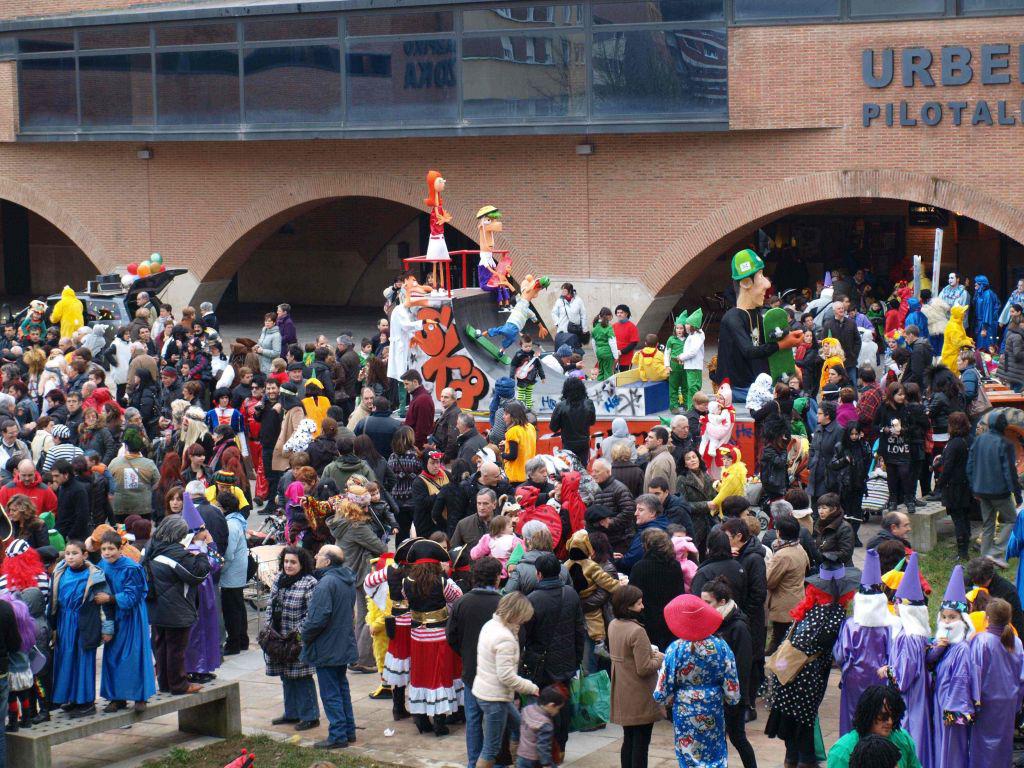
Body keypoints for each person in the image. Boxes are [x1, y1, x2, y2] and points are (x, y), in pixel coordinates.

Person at [764, 563, 859, 767]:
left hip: (788, 669)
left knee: (791, 716)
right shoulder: (835, 613)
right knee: (804, 719)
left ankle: (791, 759)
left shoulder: (809, 607)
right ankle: (805, 761)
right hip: (808, 673)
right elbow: (829, 645)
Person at [654, 593, 740, 768]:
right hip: (712, 704)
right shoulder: (720, 646)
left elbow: (662, 687)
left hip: (684, 707)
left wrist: (663, 698)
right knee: (714, 751)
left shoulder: (675, 648)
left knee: (688, 753)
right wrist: (732, 699)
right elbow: (731, 680)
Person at [521, 553, 584, 753]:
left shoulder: (533, 599)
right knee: (562, 703)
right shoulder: (571, 594)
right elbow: (579, 628)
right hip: (567, 660)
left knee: (542, 704)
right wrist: (577, 658)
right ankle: (560, 747)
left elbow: (526, 634)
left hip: (541, 663)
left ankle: (544, 749)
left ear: (539, 574)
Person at [402, 539, 463, 736]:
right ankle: (439, 720)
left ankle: (420, 717)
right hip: (439, 635)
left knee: (420, 673)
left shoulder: (406, 582)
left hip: (417, 635)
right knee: (439, 674)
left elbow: (406, 598)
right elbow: (458, 598)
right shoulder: (443, 582)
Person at [472, 591, 540, 768]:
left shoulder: (490, 625)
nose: (524, 622)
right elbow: (506, 676)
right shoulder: (505, 638)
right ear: (516, 614)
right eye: (523, 618)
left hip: (488, 692)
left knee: (520, 728)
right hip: (495, 698)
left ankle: (520, 763)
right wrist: (530, 687)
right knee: (491, 749)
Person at [144, 515, 211, 695]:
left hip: (156, 606)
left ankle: (165, 683)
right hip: (176, 608)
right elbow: (198, 574)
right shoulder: (176, 553)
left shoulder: (150, 547)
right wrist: (202, 554)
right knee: (176, 648)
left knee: (161, 646)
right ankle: (179, 684)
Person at [446, 556, 503, 768]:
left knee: (473, 719)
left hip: (471, 670)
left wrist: (465, 652)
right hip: (497, 672)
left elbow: (451, 636)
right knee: (497, 720)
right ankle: (495, 761)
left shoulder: (462, 603)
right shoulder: (503, 604)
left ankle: (474, 762)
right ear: (497, 578)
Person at [832, 549, 896, 736]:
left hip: (854, 676)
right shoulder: (888, 626)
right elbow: (892, 654)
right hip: (880, 677)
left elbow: (840, 654)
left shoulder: (850, 625)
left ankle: (852, 747)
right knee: (879, 715)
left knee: (854, 714)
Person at [300, 544, 358, 749]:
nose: (315, 556)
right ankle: (349, 731)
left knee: (330, 693)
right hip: (342, 644)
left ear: (327, 561)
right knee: (341, 688)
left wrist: (304, 635)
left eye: (319, 554)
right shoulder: (346, 579)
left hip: (327, 647)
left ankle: (338, 736)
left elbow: (317, 619)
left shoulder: (326, 583)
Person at [50, 539, 113, 717]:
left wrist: (107, 628)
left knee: (83, 661)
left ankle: (86, 702)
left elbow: (104, 604)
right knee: (66, 659)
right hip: (64, 622)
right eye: (67, 553)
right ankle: (72, 698)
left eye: (75, 553)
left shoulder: (94, 575)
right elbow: (53, 600)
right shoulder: (60, 572)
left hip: (84, 622)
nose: (70, 557)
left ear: (85, 555)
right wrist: (52, 624)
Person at [96, 529, 155, 713]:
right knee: (113, 656)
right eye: (104, 549)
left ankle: (140, 696)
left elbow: (133, 595)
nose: (107, 553)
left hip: (132, 617)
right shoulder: (102, 566)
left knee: (134, 655)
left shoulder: (132, 568)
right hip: (113, 615)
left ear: (120, 549)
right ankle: (117, 697)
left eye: (111, 549)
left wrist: (110, 598)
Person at [263, 546, 320, 730]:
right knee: (286, 676)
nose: (288, 565)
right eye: (286, 561)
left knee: (302, 677)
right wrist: (269, 630)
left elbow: (312, 614)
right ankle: (292, 713)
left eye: (293, 562)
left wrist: (297, 635)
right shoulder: (279, 579)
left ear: (302, 564)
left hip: (297, 641)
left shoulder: (309, 583)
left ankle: (311, 716)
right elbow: (270, 606)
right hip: (278, 639)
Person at [882, 552, 931, 768]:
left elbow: (905, 675)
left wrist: (888, 670)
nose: (894, 605)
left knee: (908, 730)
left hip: (910, 695)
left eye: (897, 602)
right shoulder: (917, 632)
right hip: (917, 691)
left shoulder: (909, 636)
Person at [607, 584, 663, 768]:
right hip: (639, 694)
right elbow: (644, 668)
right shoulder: (637, 631)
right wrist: (660, 658)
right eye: (639, 603)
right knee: (641, 744)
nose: (643, 606)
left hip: (622, 692)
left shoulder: (613, 625)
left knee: (629, 739)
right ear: (628, 606)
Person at [967, 597, 1024, 766]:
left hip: (986, 703)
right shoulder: (1017, 642)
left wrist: (972, 704)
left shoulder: (982, 641)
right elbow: (1021, 678)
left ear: (987, 618)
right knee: (1003, 744)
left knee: (982, 746)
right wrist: (1017, 703)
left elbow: (974, 675)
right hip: (1008, 703)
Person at [967, 410, 1020, 565]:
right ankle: (995, 552)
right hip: (1000, 492)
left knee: (988, 524)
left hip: (980, 491)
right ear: (1003, 426)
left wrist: (974, 487)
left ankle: (984, 559)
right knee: (1012, 520)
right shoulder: (1005, 444)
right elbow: (1010, 472)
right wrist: (1017, 495)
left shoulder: (978, 440)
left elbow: (970, 466)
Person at [825, 685, 922, 768]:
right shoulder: (842, 751)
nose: (890, 722)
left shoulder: (902, 738)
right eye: (883, 716)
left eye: (893, 716)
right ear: (868, 714)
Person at [627, 528, 685, 652]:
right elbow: (680, 593)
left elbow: (632, 595)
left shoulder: (640, 567)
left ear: (647, 546)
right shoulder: (675, 566)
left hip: (648, 619)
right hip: (670, 619)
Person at [765, 514, 810, 654]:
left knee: (778, 641)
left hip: (784, 603)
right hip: (797, 598)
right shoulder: (799, 547)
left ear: (779, 532)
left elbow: (769, 581)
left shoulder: (783, 555)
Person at [932, 411, 972, 559]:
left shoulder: (954, 443)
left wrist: (939, 484)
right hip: (965, 484)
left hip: (954, 486)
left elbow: (948, 467)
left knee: (958, 519)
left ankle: (962, 553)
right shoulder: (967, 440)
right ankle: (965, 546)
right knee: (964, 517)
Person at [107, 429, 158, 522]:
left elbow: (108, 482)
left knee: (122, 530)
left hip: (120, 508)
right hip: (143, 508)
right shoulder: (149, 464)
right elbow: (157, 483)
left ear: (126, 446)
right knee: (142, 530)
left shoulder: (115, 463)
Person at [549, 377, 596, 465]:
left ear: (566, 390)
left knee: (569, 468)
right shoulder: (589, 403)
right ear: (582, 389)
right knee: (582, 468)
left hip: (568, 444)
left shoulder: (561, 406)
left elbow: (553, 428)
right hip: (583, 443)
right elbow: (592, 422)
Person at [517, 686, 566, 768]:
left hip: (521, 756)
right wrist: (546, 764)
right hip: (535, 760)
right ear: (551, 705)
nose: (558, 712)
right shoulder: (545, 723)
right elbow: (543, 746)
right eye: (558, 709)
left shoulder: (526, 709)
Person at [814, 492, 854, 567]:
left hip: (840, 568)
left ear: (834, 509)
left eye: (824, 508)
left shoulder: (845, 528)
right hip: (825, 566)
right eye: (819, 508)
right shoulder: (820, 523)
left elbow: (846, 553)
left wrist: (825, 556)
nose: (820, 511)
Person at [501, 401, 536, 484]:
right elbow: (524, 444)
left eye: (506, 414)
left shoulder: (513, 431)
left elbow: (512, 456)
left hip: (516, 476)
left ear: (513, 416)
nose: (503, 417)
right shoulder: (530, 427)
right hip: (529, 473)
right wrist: (507, 444)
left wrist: (502, 454)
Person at [641, 426, 675, 494]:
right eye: (647, 436)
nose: (646, 439)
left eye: (650, 437)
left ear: (659, 441)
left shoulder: (661, 461)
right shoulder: (657, 457)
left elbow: (658, 493)